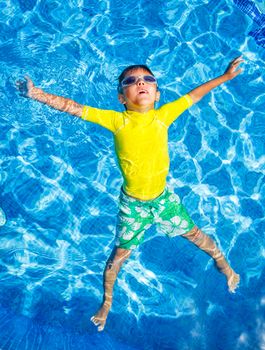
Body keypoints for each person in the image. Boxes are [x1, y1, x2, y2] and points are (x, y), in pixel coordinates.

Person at [16, 56, 243, 331]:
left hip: (163, 200)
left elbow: (194, 94)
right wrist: (36, 93)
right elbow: (74, 108)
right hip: (132, 207)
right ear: (122, 97)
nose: (140, 82)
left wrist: (225, 77)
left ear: (157, 94)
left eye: (148, 79)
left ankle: (224, 264)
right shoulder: (116, 120)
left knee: (195, 234)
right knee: (118, 257)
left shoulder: (164, 116)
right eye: (131, 81)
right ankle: (107, 302)